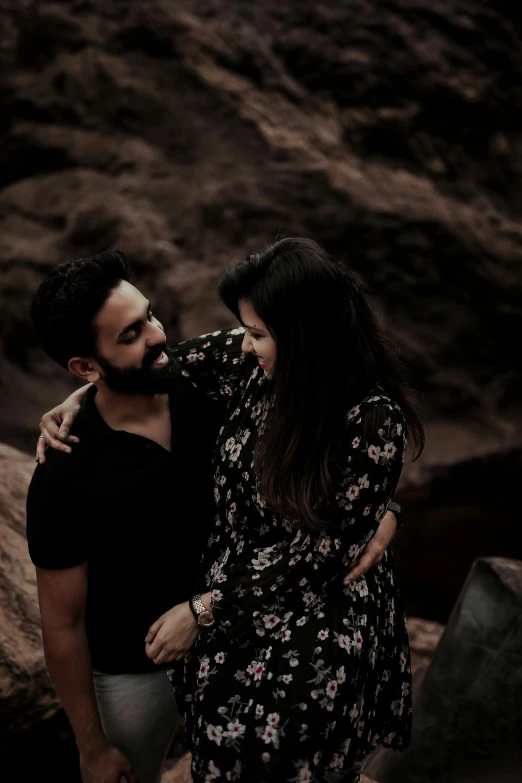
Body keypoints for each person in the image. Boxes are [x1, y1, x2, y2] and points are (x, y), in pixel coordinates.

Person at [32, 247, 402, 783]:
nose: (159, 337)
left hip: (245, 633)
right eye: (131, 334)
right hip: (140, 665)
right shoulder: (66, 467)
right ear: (85, 366)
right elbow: (60, 623)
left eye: (149, 316)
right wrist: (90, 746)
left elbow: (347, 434)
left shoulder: (213, 382)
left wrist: (384, 508)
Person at [145, 237, 423, 783]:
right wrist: (78, 398)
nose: (246, 346)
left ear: (306, 336)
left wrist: (201, 609)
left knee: (279, 752)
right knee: (220, 752)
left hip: (318, 609)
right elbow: (161, 367)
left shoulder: (371, 420)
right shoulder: (250, 365)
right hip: (235, 600)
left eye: (259, 334)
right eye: (246, 330)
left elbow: (317, 556)